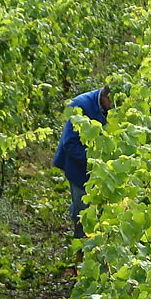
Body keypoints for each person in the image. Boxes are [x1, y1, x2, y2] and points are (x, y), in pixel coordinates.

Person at [53, 86, 112, 239]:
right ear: (105, 97)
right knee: (82, 212)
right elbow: (70, 144)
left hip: (105, 172)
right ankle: (80, 253)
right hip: (78, 168)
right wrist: (96, 162)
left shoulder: (116, 108)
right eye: (112, 102)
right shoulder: (80, 105)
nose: (115, 108)